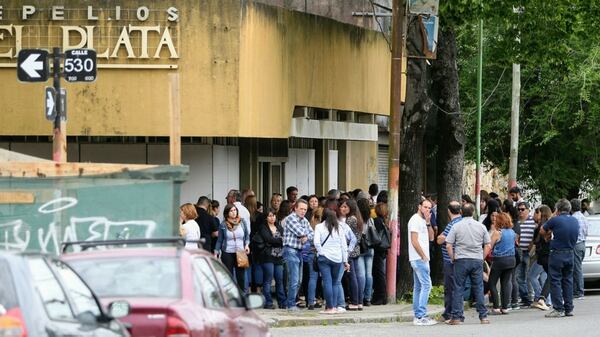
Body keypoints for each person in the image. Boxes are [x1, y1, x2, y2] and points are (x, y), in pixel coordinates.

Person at [446, 202, 491, 325]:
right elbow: (488, 244)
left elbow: (448, 244)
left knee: (458, 288)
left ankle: (456, 317)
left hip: (461, 260)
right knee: (478, 288)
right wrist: (482, 257)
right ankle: (483, 316)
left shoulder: (456, 226)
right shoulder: (481, 227)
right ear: (473, 213)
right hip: (476, 259)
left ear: (461, 212)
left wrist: (452, 257)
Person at [540, 199, 579, 318]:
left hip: (557, 253)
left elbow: (542, 230)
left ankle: (558, 308)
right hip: (570, 252)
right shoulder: (575, 220)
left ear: (558, 209)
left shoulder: (555, 220)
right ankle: (569, 308)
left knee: (555, 280)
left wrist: (553, 215)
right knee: (568, 280)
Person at [315, 208, 349, 314]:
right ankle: (334, 306)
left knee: (327, 282)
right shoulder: (339, 228)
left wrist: (321, 253)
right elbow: (344, 246)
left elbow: (316, 243)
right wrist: (345, 260)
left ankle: (329, 307)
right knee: (335, 283)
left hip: (324, 258)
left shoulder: (319, 227)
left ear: (323, 216)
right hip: (337, 259)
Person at [408, 199, 436, 326]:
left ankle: (418, 315)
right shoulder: (414, 220)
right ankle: (421, 315)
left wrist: (429, 222)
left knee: (419, 287)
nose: (427, 210)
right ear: (419, 206)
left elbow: (431, 237)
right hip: (419, 258)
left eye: (429, 208)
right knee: (427, 285)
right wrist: (423, 256)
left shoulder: (424, 221)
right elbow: (414, 241)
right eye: (425, 207)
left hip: (420, 258)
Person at [282, 199, 313, 311]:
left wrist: (306, 236)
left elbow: (312, 233)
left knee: (299, 280)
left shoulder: (304, 220)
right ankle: (290, 304)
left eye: (305, 209)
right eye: (301, 209)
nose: (303, 211)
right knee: (294, 280)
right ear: (295, 208)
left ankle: (291, 302)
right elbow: (301, 232)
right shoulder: (290, 218)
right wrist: (305, 235)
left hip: (299, 251)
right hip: (290, 250)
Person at [436, 200, 462, 322]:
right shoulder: (461, 222)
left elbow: (441, 240)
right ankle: (455, 312)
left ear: (448, 211)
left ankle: (449, 313)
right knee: (457, 287)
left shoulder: (452, 225)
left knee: (450, 288)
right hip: (461, 259)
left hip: (450, 259)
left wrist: (442, 237)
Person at [255, 208, 285, 309]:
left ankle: (282, 302)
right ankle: (268, 302)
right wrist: (279, 240)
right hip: (267, 256)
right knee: (267, 279)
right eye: (270, 216)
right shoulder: (263, 227)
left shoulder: (279, 227)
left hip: (279, 256)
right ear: (266, 217)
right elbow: (268, 239)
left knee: (279, 280)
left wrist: (274, 241)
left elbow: (282, 239)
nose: (272, 218)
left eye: (273, 215)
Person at [214, 204, 250, 288]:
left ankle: (241, 297)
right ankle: (230, 296)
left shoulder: (242, 221)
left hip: (241, 252)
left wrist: (247, 245)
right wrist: (216, 253)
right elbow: (219, 240)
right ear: (227, 213)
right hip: (227, 252)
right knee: (228, 277)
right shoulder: (223, 224)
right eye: (231, 211)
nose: (234, 212)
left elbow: (247, 236)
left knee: (241, 277)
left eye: (235, 210)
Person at [488, 212, 517, 315]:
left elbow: (489, 245)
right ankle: (505, 307)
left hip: (499, 260)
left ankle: (496, 307)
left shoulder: (498, 232)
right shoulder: (512, 232)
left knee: (492, 283)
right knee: (506, 282)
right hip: (511, 259)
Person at [340, 199, 364, 310]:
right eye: (342, 207)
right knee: (357, 276)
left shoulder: (350, 219)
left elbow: (347, 237)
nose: (343, 209)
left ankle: (354, 302)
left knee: (352, 277)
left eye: (346, 207)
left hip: (350, 250)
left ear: (351, 208)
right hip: (356, 249)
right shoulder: (357, 218)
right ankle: (359, 302)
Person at [531, 205, 552, 311]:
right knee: (550, 277)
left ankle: (543, 299)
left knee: (545, 277)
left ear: (542, 213)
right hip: (548, 255)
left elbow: (535, 242)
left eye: (537, 212)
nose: (535, 214)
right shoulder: (548, 226)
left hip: (542, 256)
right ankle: (544, 299)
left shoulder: (541, 227)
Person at [515, 201, 535, 308]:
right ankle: (525, 298)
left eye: (522, 209)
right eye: (519, 209)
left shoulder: (533, 221)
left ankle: (530, 296)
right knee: (518, 276)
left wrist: (532, 248)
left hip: (528, 252)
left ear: (528, 210)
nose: (520, 211)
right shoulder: (516, 221)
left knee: (528, 275)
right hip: (518, 251)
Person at [371, 202, 390, 305]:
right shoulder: (384, 221)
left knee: (378, 274)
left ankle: (379, 297)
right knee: (381, 273)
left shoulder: (376, 221)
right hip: (383, 249)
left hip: (377, 249)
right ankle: (383, 297)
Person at [357, 198, 374, 307]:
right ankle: (367, 298)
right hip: (370, 248)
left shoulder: (357, 219)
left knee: (361, 275)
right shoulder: (370, 219)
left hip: (359, 248)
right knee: (369, 274)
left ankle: (360, 297)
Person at [570, 199, 589, 299]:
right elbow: (586, 232)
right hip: (582, 244)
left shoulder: (573, 218)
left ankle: (579, 292)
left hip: (575, 244)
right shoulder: (584, 217)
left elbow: (572, 233)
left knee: (576, 269)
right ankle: (577, 291)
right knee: (577, 267)